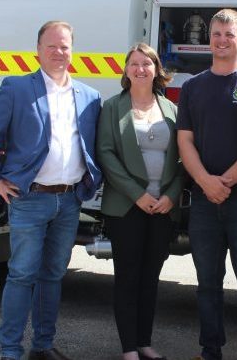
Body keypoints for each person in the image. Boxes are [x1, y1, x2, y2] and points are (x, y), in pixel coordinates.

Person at [0, 21, 102, 360]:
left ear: (72, 51)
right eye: (52, 46)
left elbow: (94, 146)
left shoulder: (89, 96)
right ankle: (10, 351)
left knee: (53, 276)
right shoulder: (17, 89)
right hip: (29, 199)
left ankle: (43, 346)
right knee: (21, 275)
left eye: (64, 46)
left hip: (70, 199)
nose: (59, 52)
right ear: (38, 50)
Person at [176, 9, 237, 360]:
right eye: (216, 34)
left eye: (228, 35)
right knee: (207, 284)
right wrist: (206, 182)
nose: (221, 40)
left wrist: (226, 182)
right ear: (209, 40)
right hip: (205, 202)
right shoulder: (192, 86)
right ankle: (210, 351)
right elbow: (185, 141)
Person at [96, 43, 185, 360]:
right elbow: (106, 154)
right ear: (126, 70)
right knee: (128, 276)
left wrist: (171, 197)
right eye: (133, 63)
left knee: (150, 277)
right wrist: (138, 195)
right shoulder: (112, 107)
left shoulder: (172, 109)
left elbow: (183, 159)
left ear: (157, 69)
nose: (140, 69)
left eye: (146, 63)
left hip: (162, 208)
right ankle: (128, 348)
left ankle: (144, 342)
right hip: (126, 207)